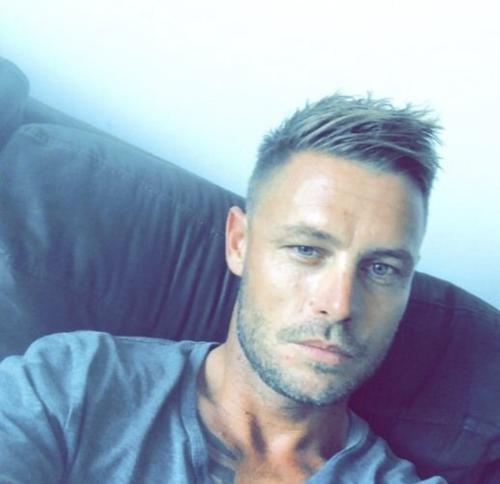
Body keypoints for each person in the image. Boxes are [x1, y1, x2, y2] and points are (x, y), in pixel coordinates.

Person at [0, 94, 446, 482]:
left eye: (382, 269)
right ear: (238, 243)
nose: (340, 304)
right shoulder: (72, 383)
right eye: (307, 250)